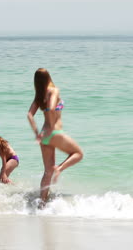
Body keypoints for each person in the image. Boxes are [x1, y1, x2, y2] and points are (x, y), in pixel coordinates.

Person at [27, 68, 84, 204]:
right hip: (55, 132)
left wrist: (37, 133)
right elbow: (52, 108)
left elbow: (29, 115)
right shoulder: (54, 90)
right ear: (48, 77)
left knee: (47, 171)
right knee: (78, 153)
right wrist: (52, 126)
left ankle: (42, 202)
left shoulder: (39, 96)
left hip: (43, 135)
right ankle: (59, 168)